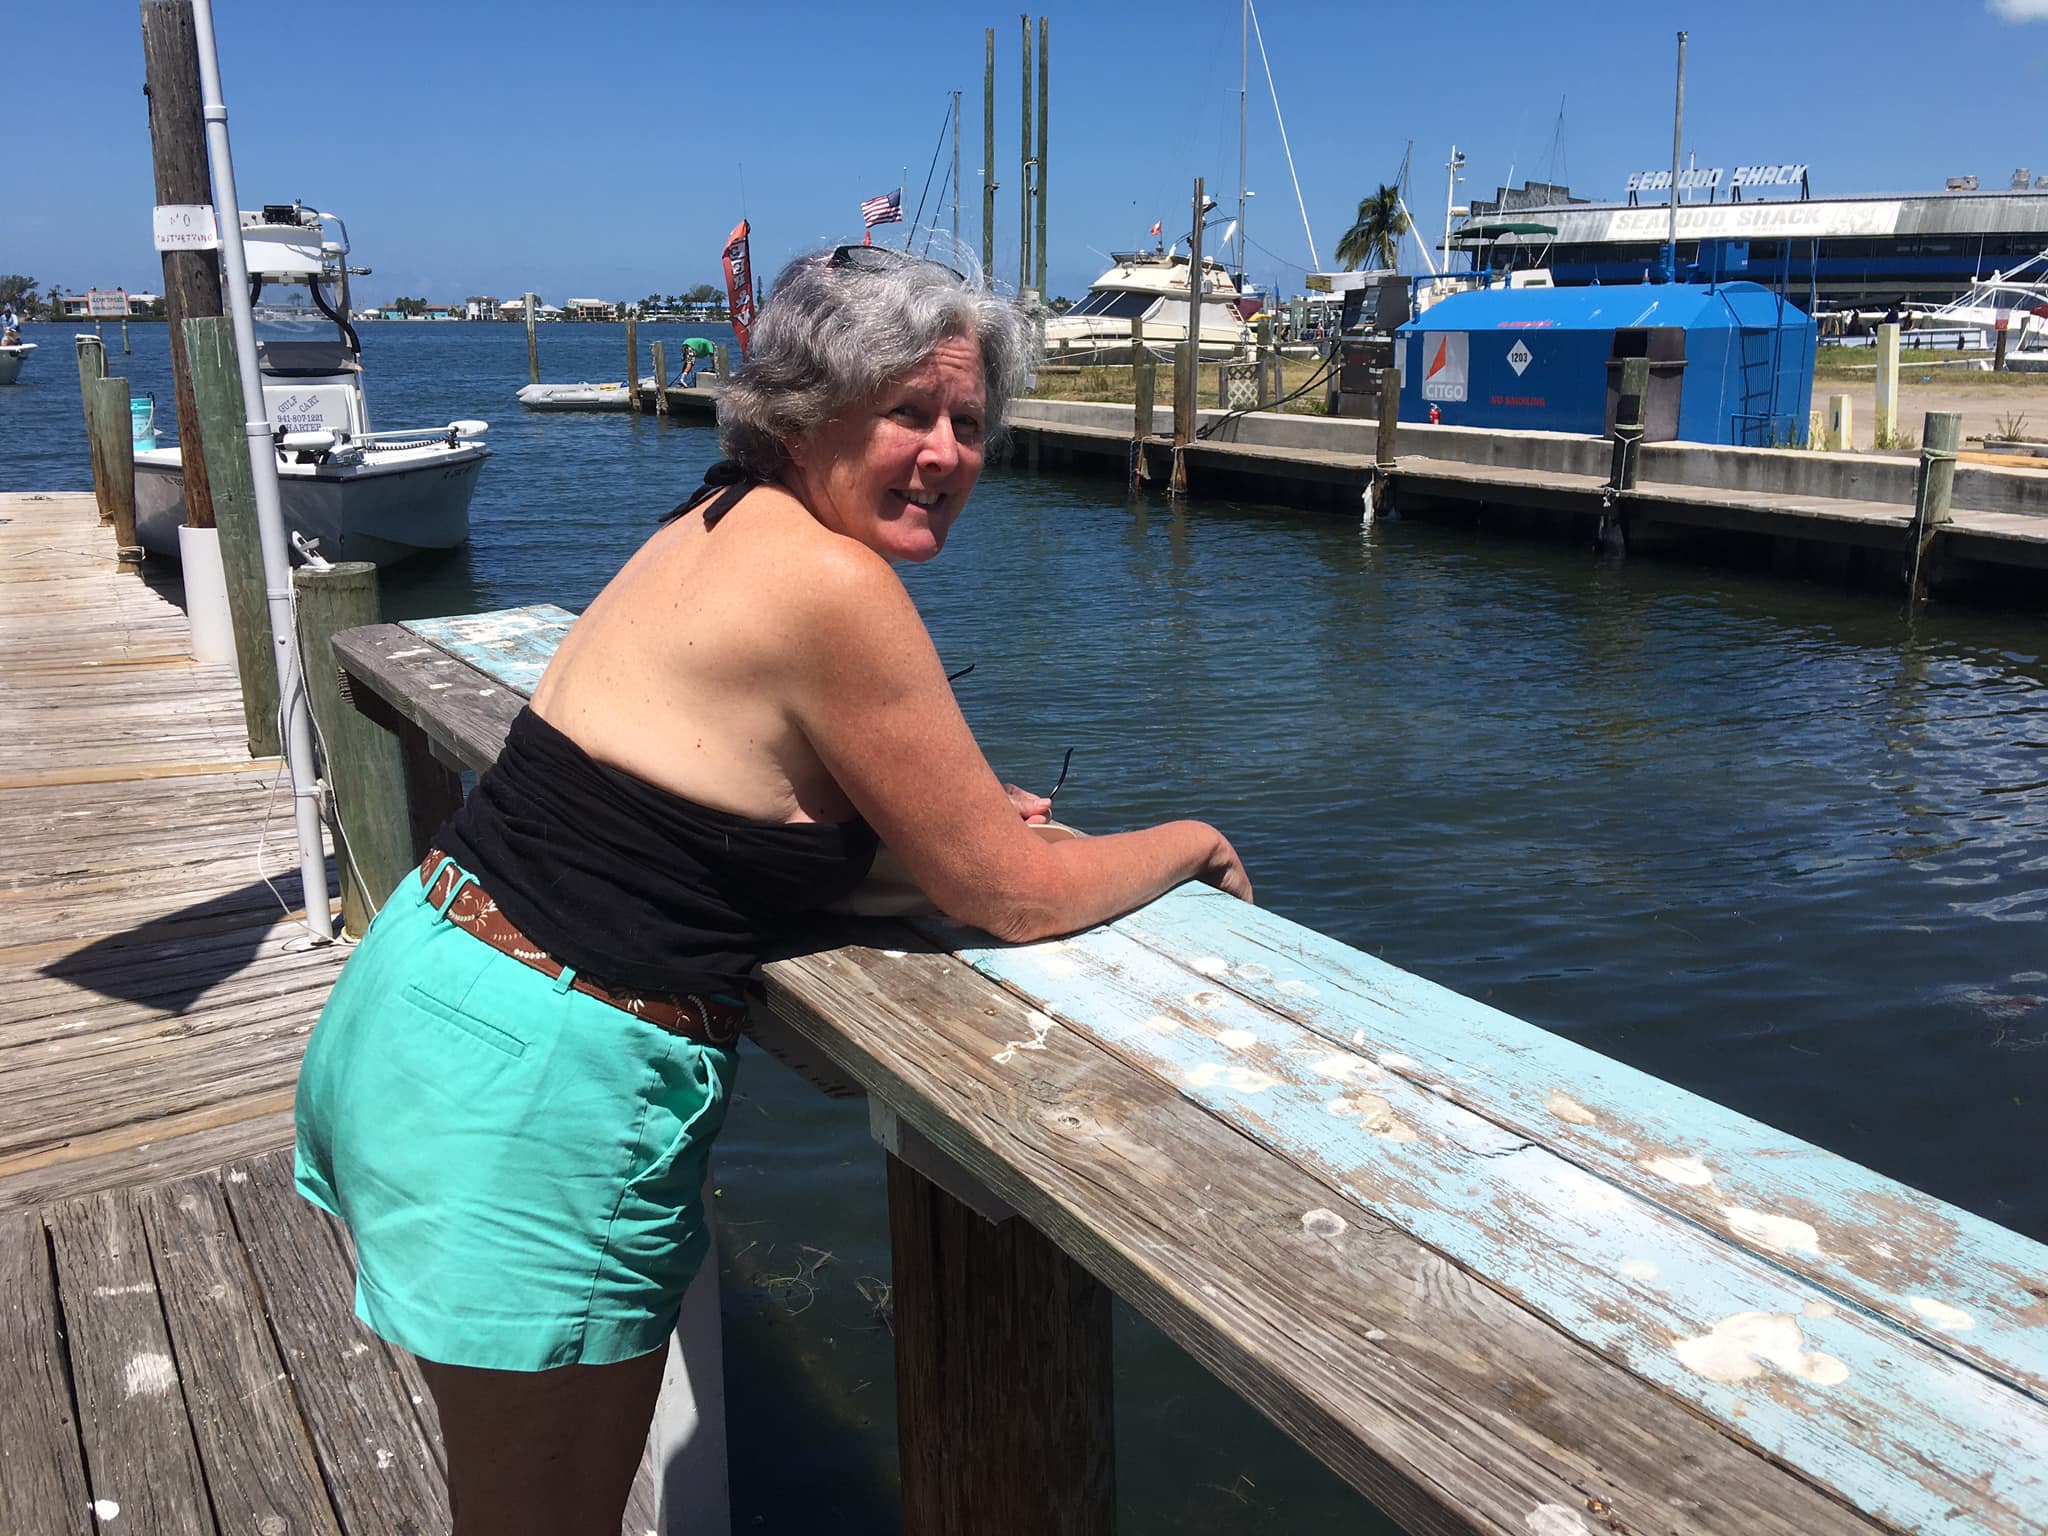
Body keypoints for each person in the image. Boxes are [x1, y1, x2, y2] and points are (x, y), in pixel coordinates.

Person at [293, 243, 1252, 1535]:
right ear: (808, 414)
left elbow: (700, 813)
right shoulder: (834, 582)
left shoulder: (715, 519)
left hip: (428, 998)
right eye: (908, 411)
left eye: (969, 423)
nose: (947, 453)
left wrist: (899, 828)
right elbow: (1011, 893)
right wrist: (1189, 840)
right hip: (541, 1094)